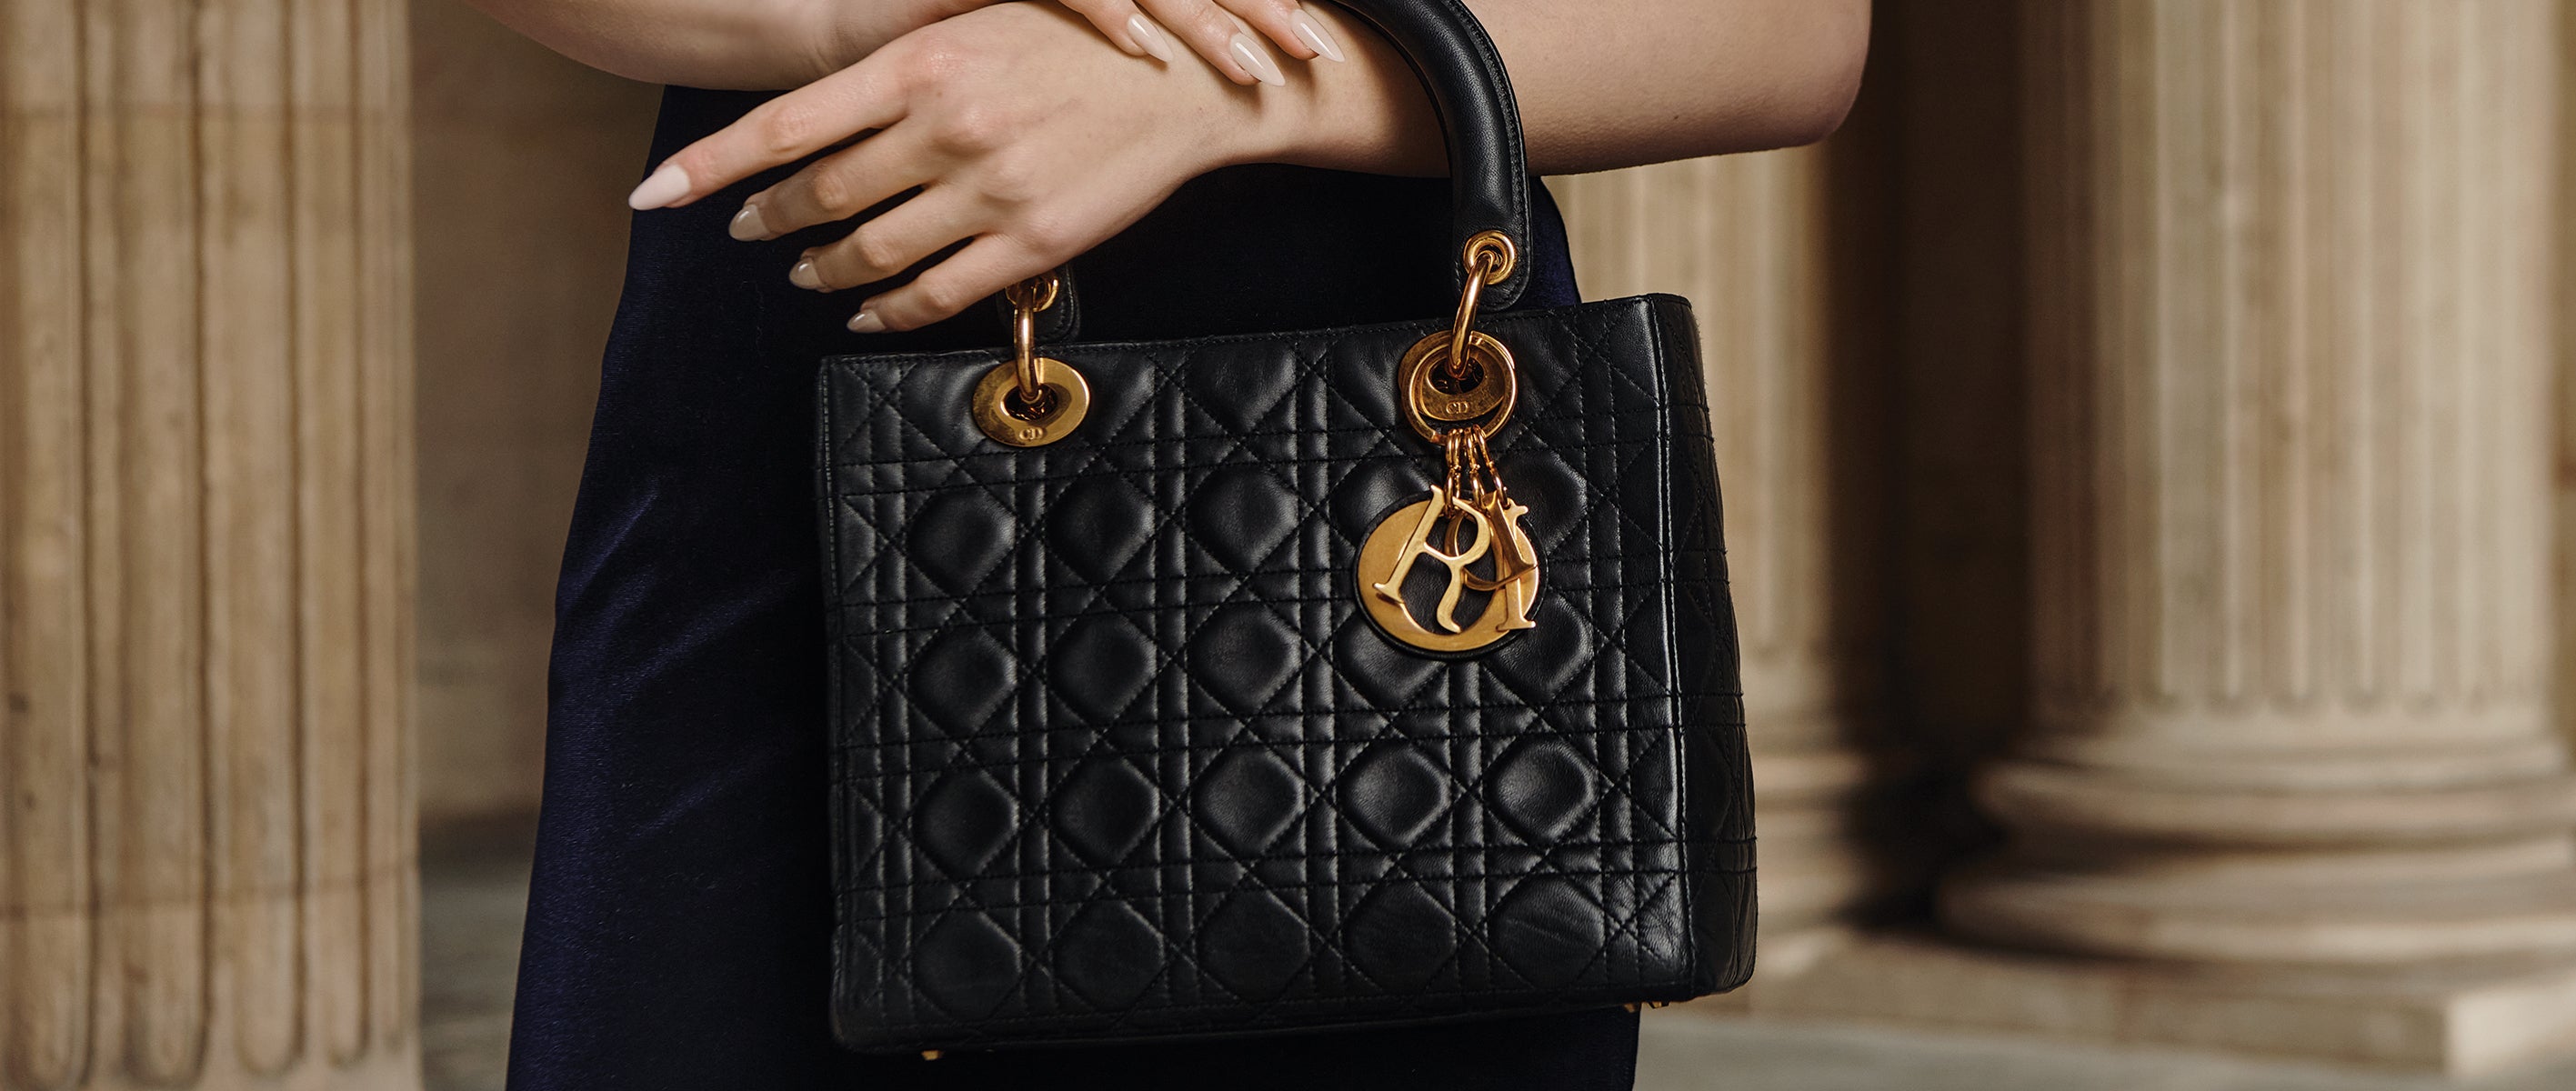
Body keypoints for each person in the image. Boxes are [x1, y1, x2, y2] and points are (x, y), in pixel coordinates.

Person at [463, 1, 1867, 1087]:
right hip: (796, 462)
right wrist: (875, 20)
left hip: (1389, 499)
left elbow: (1791, 35)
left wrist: (1198, 89)